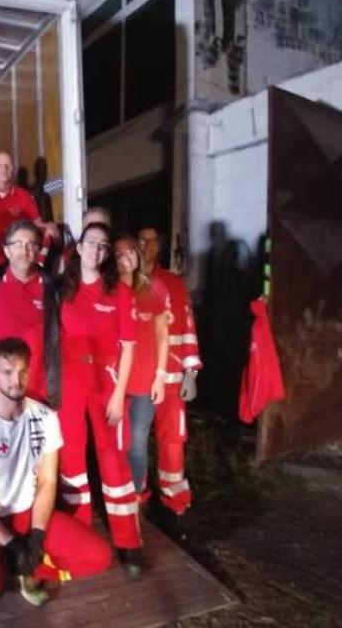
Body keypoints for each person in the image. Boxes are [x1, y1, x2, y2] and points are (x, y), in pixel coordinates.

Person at [0, 338, 111, 624]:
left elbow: (48, 481)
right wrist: (10, 542)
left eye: (23, 371)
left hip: (26, 513)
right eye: (7, 372)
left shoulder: (45, 417)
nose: (17, 380)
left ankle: (31, 570)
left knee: (98, 556)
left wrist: (36, 534)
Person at [57, 222, 144, 575]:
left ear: (107, 253)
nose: (96, 250)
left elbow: (129, 348)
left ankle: (128, 542)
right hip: (69, 379)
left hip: (106, 380)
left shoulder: (120, 292)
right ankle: (80, 536)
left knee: (113, 459)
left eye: (103, 245)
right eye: (90, 243)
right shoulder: (62, 289)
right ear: (79, 248)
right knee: (71, 459)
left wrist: (119, 395)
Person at [137, 227, 203, 531]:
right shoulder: (126, 282)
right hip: (138, 379)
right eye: (141, 240)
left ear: (159, 246)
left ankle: (175, 499)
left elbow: (187, 326)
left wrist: (191, 371)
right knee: (135, 440)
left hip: (173, 377)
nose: (146, 245)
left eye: (152, 240)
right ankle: (137, 496)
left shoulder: (174, 283)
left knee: (173, 439)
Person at [0, 220, 59, 406]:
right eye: (17, 244)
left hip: (37, 392)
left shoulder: (54, 289)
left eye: (31, 244)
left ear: (38, 250)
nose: (24, 251)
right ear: (6, 250)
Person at [115, 235, 171, 499]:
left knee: (137, 442)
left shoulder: (152, 288)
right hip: (114, 382)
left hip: (143, 383)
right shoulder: (108, 290)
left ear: (137, 255)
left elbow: (162, 335)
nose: (124, 258)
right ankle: (116, 494)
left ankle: (136, 497)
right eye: (118, 254)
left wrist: (160, 376)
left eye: (129, 252)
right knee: (115, 442)